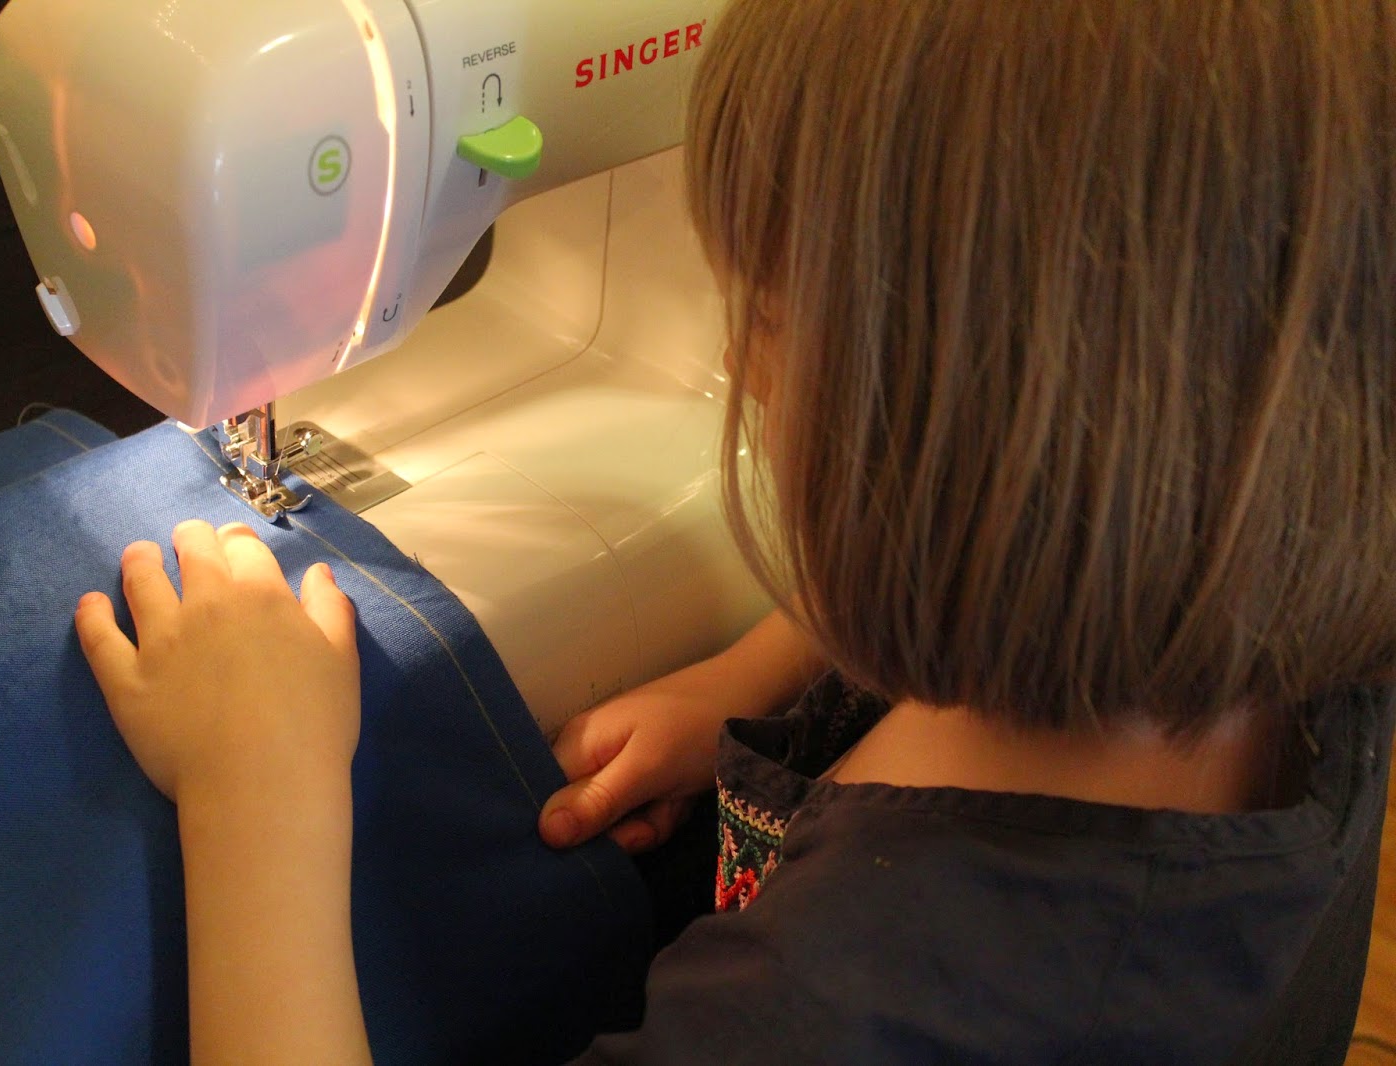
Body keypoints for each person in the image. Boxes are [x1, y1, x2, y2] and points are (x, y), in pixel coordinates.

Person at [73, 0, 1396, 1061]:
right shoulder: (1282, 616)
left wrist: (261, 793)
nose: (747, 371)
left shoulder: (842, 1006)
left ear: (955, 445)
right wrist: (749, 678)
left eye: (762, 318)